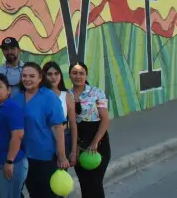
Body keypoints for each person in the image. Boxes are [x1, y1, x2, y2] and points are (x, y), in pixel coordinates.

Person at [11, 63, 69, 198]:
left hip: (45, 157)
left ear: (40, 78)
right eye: (24, 76)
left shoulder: (49, 97)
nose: (27, 79)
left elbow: (57, 128)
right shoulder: (17, 97)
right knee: (34, 193)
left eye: (32, 76)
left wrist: (62, 156)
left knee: (49, 194)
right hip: (24, 156)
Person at [68, 62, 110, 198]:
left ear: (86, 75)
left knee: (95, 183)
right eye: (74, 73)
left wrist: (95, 142)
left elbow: (105, 120)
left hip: (98, 142)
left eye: (81, 73)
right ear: (69, 75)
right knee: (84, 184)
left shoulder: (97, 92)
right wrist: (74, 149)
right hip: (78, 142)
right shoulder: (66, 95)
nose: (78, 76)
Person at [0, 74, 25, 198]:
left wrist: (9, 161)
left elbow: (17, 135)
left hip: (8, 164)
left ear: (8, 90)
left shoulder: (12, 108)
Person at [40, 61, 77, 162]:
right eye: (49, 74)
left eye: (56, 74)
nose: (53, 77)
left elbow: (73, 125)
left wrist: (73, 151)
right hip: (43, 141)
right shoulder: (39, 96)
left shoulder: (67, 96)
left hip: (63, 140)